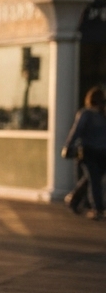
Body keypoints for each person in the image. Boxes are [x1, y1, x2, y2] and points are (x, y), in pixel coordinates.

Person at [62, 86, 106, 220]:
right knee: (94, 180)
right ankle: (98, 209)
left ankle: (74, 199)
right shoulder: (86, 114)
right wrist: (68, 146)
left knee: (91, 179)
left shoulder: (103, 115)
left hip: (103, 152)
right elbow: (76, 131)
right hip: (88, 151)